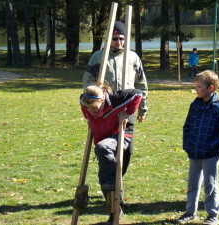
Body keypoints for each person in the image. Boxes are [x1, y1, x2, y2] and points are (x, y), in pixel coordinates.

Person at [82, 21, 148, 182]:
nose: (119, 42)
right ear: (108, 39)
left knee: (127, 152)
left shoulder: (132, 57)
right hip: (105, 111)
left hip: (127, 110)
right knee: (106, 150)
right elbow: (87, 82)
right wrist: (92, 105)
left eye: (122, 38)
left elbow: (141, 84)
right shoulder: (98, 57)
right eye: (115, 38)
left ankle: (116, 182)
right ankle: (110, 186)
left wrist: (142, 108)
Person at [80, 84, 143, 224]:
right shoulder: (85, 102)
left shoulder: (116, 99)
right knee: (103, 179)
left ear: (102, 100)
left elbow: (138, 93)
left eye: (94, 108)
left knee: (103, 150)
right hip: (102, 137)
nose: (92, 111)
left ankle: (113, 182)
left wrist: (128, 113)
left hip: (120, 134)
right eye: (89, 108)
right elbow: (85, 108)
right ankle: (115, 211)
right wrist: (88, 115)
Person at [178, 70, 219, 225]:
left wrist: (210, 148)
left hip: (210, 155)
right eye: (196, 86)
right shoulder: (194, 105)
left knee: (210, 185)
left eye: (199, 86)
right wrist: (187, 144)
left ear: (211, 88)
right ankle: (190, 212)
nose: (196, 89)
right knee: (192, 183)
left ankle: (212, 214)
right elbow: (187, 126)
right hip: (194, 151)